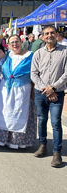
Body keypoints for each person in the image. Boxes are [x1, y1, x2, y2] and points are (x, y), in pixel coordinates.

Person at [31, 25, 67, 168]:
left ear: (57, 34)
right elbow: (34, 74)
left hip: (57, 92)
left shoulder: (65, 52)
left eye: (52, 33)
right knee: (41, 120)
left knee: (56, 122)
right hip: (41, 93)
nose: (49, 35)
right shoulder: (38, 53)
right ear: (43, 36)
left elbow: (66, 74)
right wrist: (46, 89)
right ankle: (43, 145)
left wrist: (53, 88)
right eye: (47, 33)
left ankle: (57, 152)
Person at [0, 35, 36, 149]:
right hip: (6, 89)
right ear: (8, 45)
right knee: (6, 113)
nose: (15, 44)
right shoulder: (8, 55)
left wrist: (34, 89)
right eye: (12, 42)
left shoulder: (30, 55)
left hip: (23, 89)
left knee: (20, 113)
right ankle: (4, 139)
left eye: (17, 41)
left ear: (21, 41)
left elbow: (35, 73)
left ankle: (18, 141)